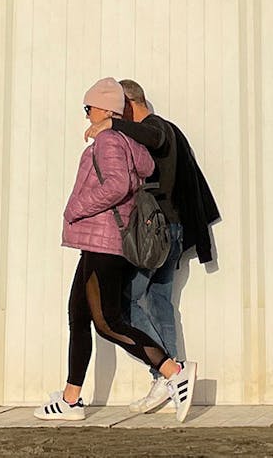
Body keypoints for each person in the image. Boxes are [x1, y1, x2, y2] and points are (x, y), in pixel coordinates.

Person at [34, 77, 197, 422]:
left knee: (108, 320)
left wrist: (75, 208)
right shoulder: (124, 142)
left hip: (103, 243)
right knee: (79, 315)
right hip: (99, 243)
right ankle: (71, 398)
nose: (86, 114)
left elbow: (118, 186)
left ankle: (172, 370)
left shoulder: (109, 140)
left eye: (87, 107)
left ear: (104, 108)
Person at [85, 79, 221, 414]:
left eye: (119, 107)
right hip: (170, 231)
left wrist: (113, 124)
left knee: (125, 302)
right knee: (160, 304)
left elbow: (154, 138)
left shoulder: (157, 127)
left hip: (157, 232)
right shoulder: (163, 130)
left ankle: (166, 372)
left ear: (130, 104)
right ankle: (174, 379)